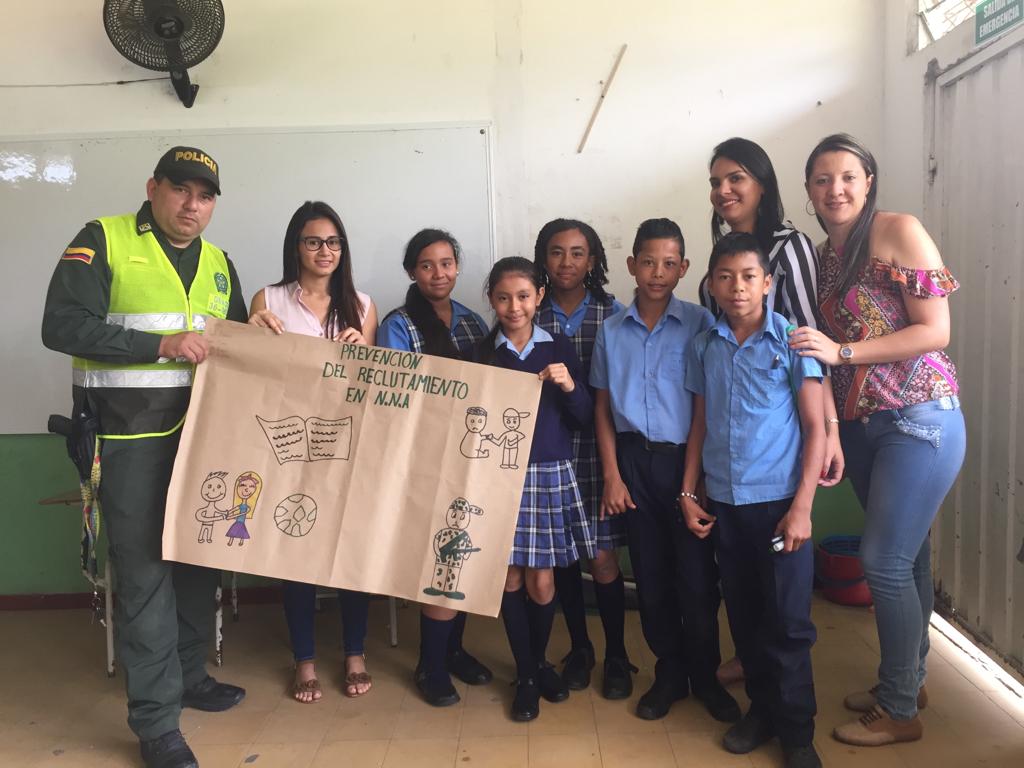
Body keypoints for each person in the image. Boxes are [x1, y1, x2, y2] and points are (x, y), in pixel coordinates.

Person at [41, 146, 247, 768]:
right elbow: (62, 326)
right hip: (128, 442)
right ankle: (157, 723)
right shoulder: (102, 240)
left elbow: (232, 351)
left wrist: (255, 336)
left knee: (196, 561)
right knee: (144, 575)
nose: (192, 205)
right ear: (153, 187)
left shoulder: (218, 262)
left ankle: (190, 677)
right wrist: (159, 344)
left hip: (202, 440)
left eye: (205, 195)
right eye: (181, 189)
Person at [789, 134, 966, 747]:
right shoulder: (825, 256)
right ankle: (905, 683)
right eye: (821, 180)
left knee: (882, 562)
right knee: (907, 559)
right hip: (867, 424)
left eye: (847, 177)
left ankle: (898, 712)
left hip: (920, 416)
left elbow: (934, 330)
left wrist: (842, 351)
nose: (834, 189)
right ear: (808, 190)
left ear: (868, 183)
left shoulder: (898, 230)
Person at [699, 137, 844, 686]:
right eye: (715, 182)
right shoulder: (729, 250)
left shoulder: (787, 245)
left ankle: (781, 692)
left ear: (762, 182)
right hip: (733, 448)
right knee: (742, 583)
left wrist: (827, 429)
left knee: (782, 587)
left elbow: (812, 340)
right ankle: (758, 672)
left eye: (736, 177)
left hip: (783, 430)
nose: (724, 190)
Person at [683, 232, 826, 768]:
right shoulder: (705, 345)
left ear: (768, 283)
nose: (736, 287)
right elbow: (698, 425)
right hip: (725, 504)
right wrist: (687, 491)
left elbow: (814, 429)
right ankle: (762, 711)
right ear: (712, 285)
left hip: (779, 505)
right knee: (744, 616)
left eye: (748, 277)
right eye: (725, 277)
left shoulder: (793, 342)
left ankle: (796, 732)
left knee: (788, 623)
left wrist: (802, 509)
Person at [590, 218, 738, 723]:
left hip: (686, 464)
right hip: (634, 464)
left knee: (697, 580)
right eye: (648, 262)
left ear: (684, 268)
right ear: (631, 265)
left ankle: (706, 677)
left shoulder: (700, 323)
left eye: (669, 263)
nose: (657, 272)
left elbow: (702, 410)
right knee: (650, 578)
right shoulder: (611, 331)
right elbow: (603, 411)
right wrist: (612, 475)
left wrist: (690, 484)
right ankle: (669, 673)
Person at [248, 200, 377, 703]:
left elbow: (369, 386)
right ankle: (303, 660)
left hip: (345, 444)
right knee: (295, 551)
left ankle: (354, 653)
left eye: (333, 242)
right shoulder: (269, 298)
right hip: (288, 445)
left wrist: (361, 354)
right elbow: (251, 375)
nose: (325, 251)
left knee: (350, 550)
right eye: (313, 241)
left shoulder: (363, 304)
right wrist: (255, 333)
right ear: (296, 247)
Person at [376, 228, 494, 707]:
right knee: (438, 560)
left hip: (473, 455)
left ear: (457, 267)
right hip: (424, 457)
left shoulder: (472, 322)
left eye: (447, 263)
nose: (438, 273)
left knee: (463, 553)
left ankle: (455, 651)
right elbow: (394, 396)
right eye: (427, 265)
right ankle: (430, 664)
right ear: (411, 272)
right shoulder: (399, 325)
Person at [475, 256, 596, 722]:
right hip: (499, 478)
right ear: (491, 300)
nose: (514, 306)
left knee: (543, 579)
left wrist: (569, 386)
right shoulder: (484, 355)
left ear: (539, 297)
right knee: (507, 577)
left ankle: (539, 661)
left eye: (523, 296)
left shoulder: (558, 347)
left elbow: (583, 416)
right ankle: (526, 674)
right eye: (503, 297)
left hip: (548, 473)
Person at [531, 219, 634, 699]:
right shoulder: (528, 314)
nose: (566, 262)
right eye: (556, 252)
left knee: (604, 559)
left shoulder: (615, 316)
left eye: (577, 253)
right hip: (547, 456)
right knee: (563, 558)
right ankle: (580, 648)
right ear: (543, 258)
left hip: (598, 453)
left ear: (592, 260)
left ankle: (617, 653)